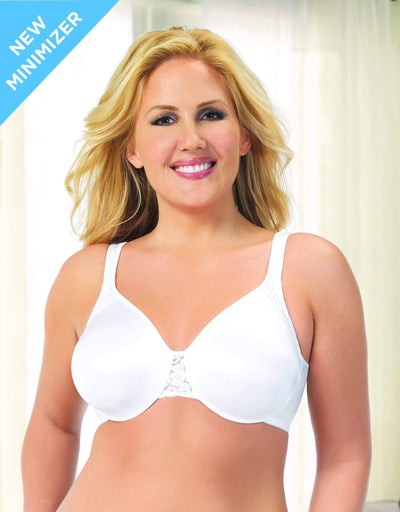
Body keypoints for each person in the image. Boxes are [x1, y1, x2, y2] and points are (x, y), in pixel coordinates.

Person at [21, 27, 371, 512]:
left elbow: (345, 456)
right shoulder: (88, 277)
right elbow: (53, 424)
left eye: (211, 114)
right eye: (164, 119)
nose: (191, 139)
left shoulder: (307, 270)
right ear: (132, 148)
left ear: (244, 135)